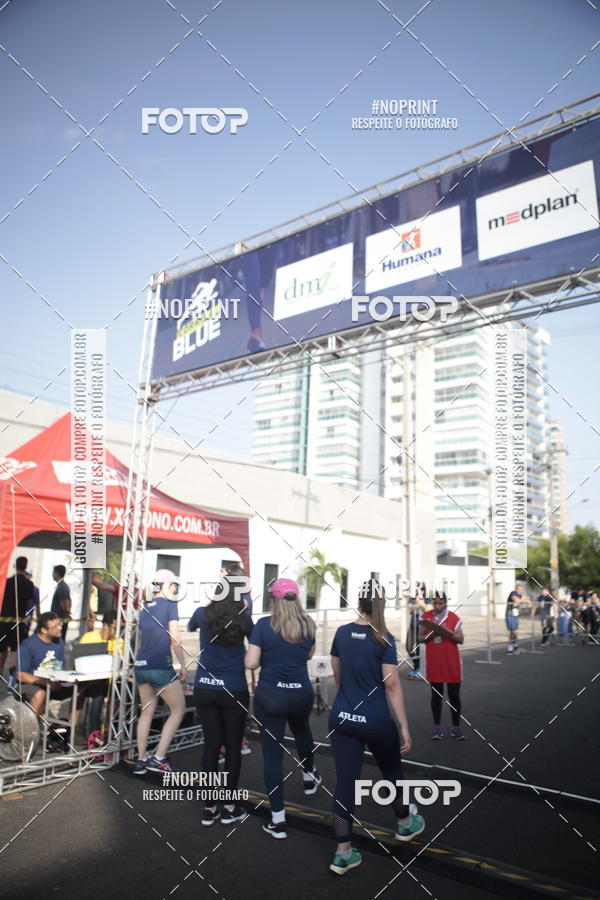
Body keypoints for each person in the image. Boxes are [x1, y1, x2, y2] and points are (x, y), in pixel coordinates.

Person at [328, 580, 424, 876]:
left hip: (343, 717)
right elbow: (392, 684)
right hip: (375, 720)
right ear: (381, 605)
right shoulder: (384, 639)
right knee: (392, 772)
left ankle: (343, 854)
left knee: (346, 783)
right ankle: (406, 823)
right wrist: (404, 727)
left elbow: (337, 673)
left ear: (359, 602)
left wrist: (351, 695)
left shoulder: (342, 633)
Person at [245, 578, 320, 839]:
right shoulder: (308, 624)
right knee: (302, 732)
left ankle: (278, 819)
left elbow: (251, 663)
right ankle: (309, 776)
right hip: (300, 693)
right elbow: (308, 655)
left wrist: (267, 653)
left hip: (271, 695)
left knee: (273, 756)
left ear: (273, 600)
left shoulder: (264, 625)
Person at [189, 576, 253, 826]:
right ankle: (229, 806)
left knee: (211, 745)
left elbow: (191, 626)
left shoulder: (202, 613)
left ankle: (208, 808)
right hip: (233, 689)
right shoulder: (243, 618)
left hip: (204, 687)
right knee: (233, 747)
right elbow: (256, 643)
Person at [132, 570, 187, 776]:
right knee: (178, 710)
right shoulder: (170, 605)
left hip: (141, 665)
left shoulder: (145, 606)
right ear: (166, 586)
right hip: (159, 666)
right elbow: (175, 638)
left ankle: (141, 759)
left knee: (146, 713)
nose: (175, 589)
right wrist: (182, 664)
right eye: (173, 585)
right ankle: (159, 757)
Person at [419, 591, 465, 740]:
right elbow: (420, 638)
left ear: (445, 603)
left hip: (451, 662)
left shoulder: (453, 617)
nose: (437, 606)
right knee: (436, 696)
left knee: (454, 696)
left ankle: (456, 728)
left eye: (440, 603)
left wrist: (447, 632)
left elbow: (461, 639)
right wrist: (432, 633)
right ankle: (437, 729)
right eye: (435, 603)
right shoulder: (426, 617)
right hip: (434, 662)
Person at [15, 612, 77, 718]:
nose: (60, 628)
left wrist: (63, 680)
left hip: (52, 683)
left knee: (80, 689)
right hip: (29, 685)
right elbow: (20, 675)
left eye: (59, 624)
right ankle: (29, 730)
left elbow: (61, 667)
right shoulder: (28, 645)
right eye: (54, 627)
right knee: (40, 693)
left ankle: (71, 727)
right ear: (44, 630)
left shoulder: (59, 642)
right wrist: (46, 683)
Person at [79, 610, 124, 736]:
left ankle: (115, 730)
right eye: (114, 627)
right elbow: (78, 658)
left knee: (123, 692)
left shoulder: (119, 641)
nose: (116, 631)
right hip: (90, 682)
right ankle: (93, 733)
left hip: (111, 683)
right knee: (97, 692)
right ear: (105, 625)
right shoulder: (89, 637)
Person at [0, 556, 35, 678]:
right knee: (15, 650)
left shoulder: (7, 582)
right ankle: (11, 679)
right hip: (19, 620)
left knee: (2, 649)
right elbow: (29, 605)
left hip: (4, 620)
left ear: (15, 566)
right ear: (25, 567)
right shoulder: (29, 584)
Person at [406, 584, 429, 679]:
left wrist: (421, 603)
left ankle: (418, 669)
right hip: (413, 625)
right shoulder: (412, 598)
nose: (420, 592)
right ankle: (417, 665)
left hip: (422, 627)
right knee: (408, 647)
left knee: (420, 649)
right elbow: (410, 610)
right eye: (418, 590)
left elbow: (427, 610)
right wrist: (413, 605)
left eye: (422, 590)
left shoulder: (427, 599)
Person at [505, 583, 530, 654]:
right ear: (517, 589)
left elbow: (519, 604)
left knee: (515, 632)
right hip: (510, 615)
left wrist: (527, 604)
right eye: (520, 589)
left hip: (515, 615)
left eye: (522, 589)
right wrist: (527, 601)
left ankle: (515, 647)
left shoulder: (520, 595)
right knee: (512, 632)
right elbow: (516, 601)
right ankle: (510, 649)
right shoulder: (513, 593)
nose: (521, 591)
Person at [51, 565, 71, 641]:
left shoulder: (62, 587)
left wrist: (67, 610)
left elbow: (64, 605)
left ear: (57, 574)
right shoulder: (62, 586)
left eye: (53, 572)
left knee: (57, 642)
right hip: (59, 620)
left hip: (60, 620)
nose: (52, 574)